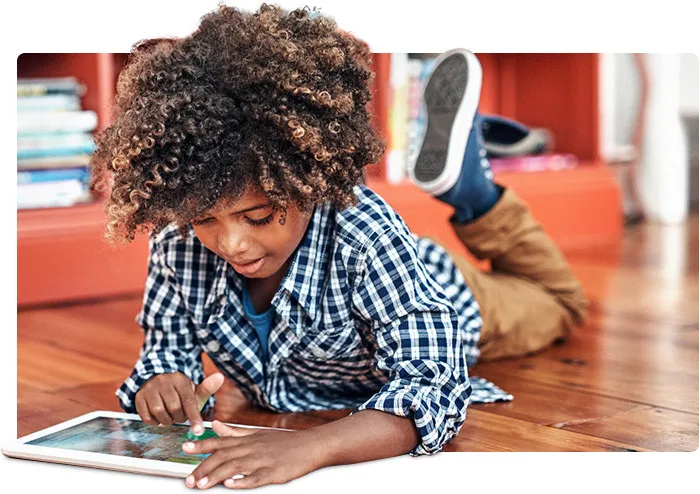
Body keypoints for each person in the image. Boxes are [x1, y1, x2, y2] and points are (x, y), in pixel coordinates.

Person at [91, 5, 587, 489]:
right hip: (386, 272)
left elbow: (431, 387)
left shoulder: (363, 231)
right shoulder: (178, 241)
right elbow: (164, 352)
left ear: (312, 181)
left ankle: (477, 197)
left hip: (442, 290)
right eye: (205, 219)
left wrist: (311, 448)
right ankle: (475, 189)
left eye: (259, 216)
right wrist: (162, 385)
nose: (232, 243)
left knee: (561, 302)